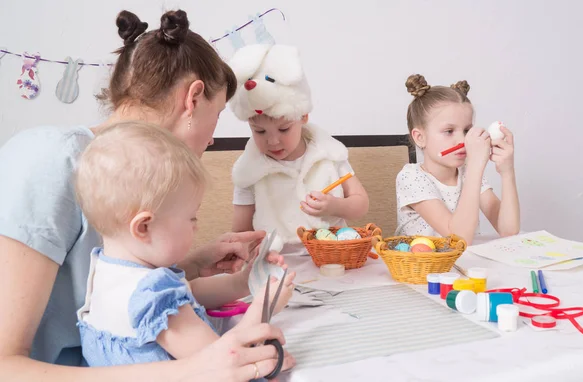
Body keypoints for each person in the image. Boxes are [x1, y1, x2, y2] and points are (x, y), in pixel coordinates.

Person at [0, 9, 293, 380]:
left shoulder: (127, 176)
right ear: (193, 99)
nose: (212, 137)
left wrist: (192, 264)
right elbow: (5, 366)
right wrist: (190, 370)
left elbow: (119, 296)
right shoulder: (49, 159)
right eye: (216, 116)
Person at [75, 122, 295, 366]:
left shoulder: (109, 269)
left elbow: (190, 295)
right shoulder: (153, 293)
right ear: (144, 227)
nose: (196, 227)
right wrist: (264, 307)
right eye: (191, 217)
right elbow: (224, 363)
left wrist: (244, 282)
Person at [228, 44, 369, 254]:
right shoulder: (249, 172)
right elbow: (241, 231)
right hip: (278, 261)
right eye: (260, 132)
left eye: (284, 129)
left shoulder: (329, 154)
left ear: (303, 116)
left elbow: (361, 204)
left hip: (334, 255)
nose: (273, 141)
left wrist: (334, 206)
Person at [395, 74, 520, 244]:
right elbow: (458, 238)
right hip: (421, 267)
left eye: (467, 130)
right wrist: (476, 164)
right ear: (420, 137)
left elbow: (508, 230)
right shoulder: (411, 177)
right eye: (449, 131)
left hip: (461, 266)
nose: (462, 141)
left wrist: (507, 172)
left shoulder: (466, 172)